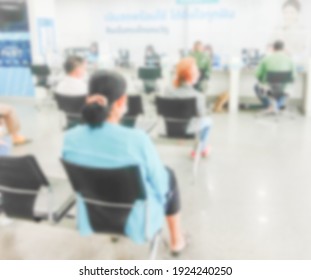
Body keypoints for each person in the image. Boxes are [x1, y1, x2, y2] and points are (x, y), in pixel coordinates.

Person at [62, 70, 186, 256]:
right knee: (168, 176)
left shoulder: (70, 138)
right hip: (137, 221)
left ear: (88, 98)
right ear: (121, 101)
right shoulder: (137, 140)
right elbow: (160, 187)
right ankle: (177, 240)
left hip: (93, 215)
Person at [166, 57, 212, 158]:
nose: (199, 73)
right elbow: (201, 116)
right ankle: (200, 149)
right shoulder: (198, 96)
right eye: (196, 71)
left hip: (170, 129)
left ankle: (201, 148)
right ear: (192, 76)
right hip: (189, 131)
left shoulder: (168, 91)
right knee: (208, 121)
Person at [255, 41, 295, 112]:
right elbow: (294, 76)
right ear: (283, 49)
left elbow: (258, 74)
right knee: (283, 87)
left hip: (269, 87)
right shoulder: (290, 60)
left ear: (273, 48)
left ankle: (270, 106)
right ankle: (278, 107)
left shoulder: (266, 59)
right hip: (284, 88)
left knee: (256, 86)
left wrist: (261, 80)